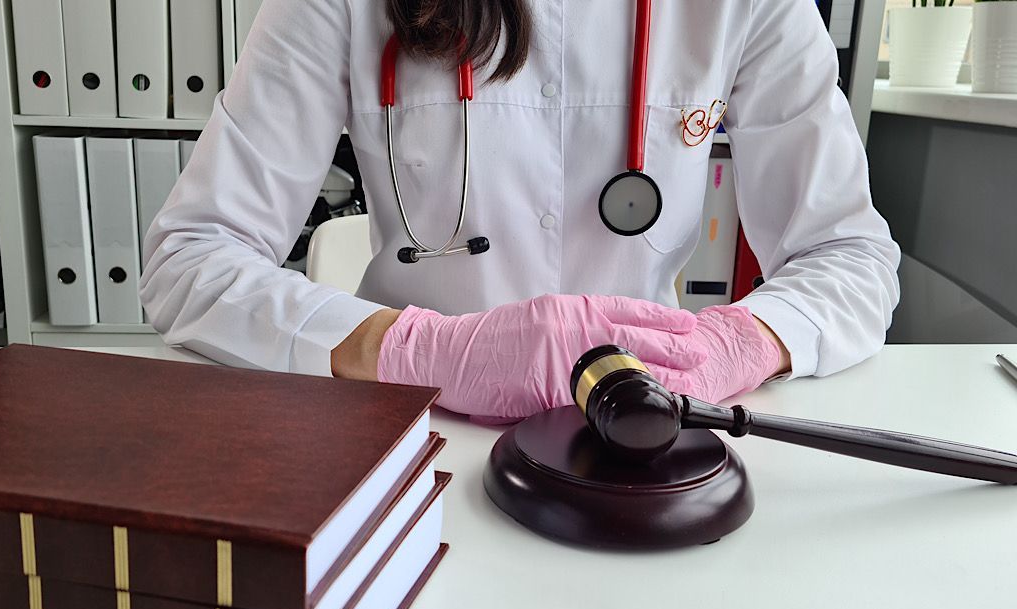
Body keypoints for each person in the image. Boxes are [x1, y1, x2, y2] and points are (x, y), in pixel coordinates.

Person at [139, 0, 900, 421]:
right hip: (410, 433)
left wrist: (743, 342)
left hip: (646, 421)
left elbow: (849, 255)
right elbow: (189, 258)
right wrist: (418, 353)